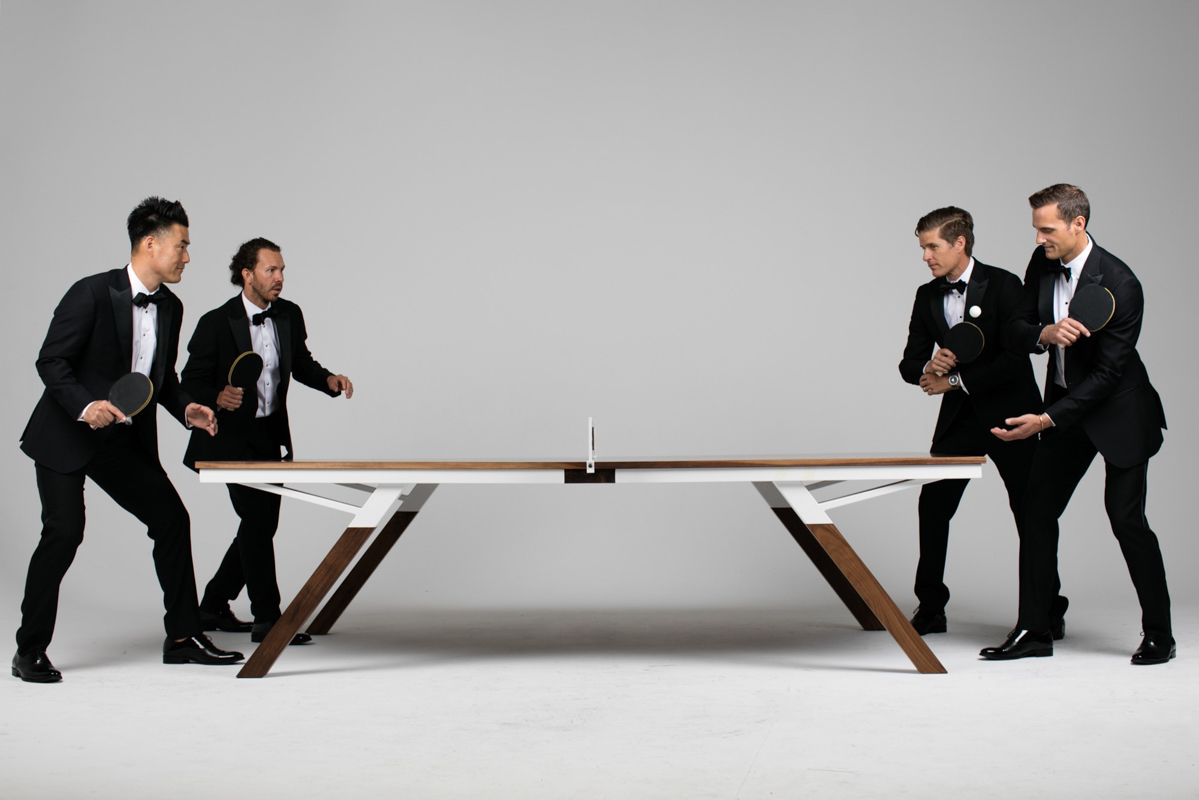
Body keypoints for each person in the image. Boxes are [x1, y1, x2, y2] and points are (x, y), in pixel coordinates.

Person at [12, 197, 243, 683]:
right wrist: (85, 406)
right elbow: (50, 361)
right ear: (150, 243)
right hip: (66, 434)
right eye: (181, 246)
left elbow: (160, 378)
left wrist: (187, 408)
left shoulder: (172, 307)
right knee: (64, 532)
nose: (187, 257)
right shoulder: (92, 293)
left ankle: (182, 638)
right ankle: (28, 650)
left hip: (121, 442)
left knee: (171, 520)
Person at [983, 184, 1173, 664]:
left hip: (1119, 415)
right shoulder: (1042, 262)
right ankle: (1035, 629)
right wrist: (1044, 332)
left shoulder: (1123, 283)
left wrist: (1046, 419)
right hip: (1066, 408)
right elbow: (1016, 327)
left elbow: (1109, 375)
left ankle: (1160, 635)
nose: (1040, 237)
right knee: (1036, 511)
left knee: (1126, 520)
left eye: (1047, 229)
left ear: (1078, 224)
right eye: (1036, 229)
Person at [899, 207, 1061, 636]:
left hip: (1015, 416)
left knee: (1031, 513)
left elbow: (1014, 358)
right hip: (960, 422)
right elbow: (909, 362)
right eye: (922, 248)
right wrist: (928, 366)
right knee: (933, 508)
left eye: (932, 246)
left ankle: (1049, 609)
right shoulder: (927, 295)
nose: (925, 256)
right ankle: (931, 608)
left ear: (960, 244)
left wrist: (953, 381)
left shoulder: (1005, 285)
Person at [182, 237, 353, 645]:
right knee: (258, 522)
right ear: (247, 274)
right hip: (227, 439)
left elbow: (302, 364)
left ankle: (212, 604)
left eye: (281, 271)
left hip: (269, 436)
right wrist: (215, 397)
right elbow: (190, 381)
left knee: (261, 524)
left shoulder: (289, 315)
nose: (279, 278)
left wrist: (328, 380)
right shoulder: (215, 322)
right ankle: (268, 619)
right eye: (270, 270)